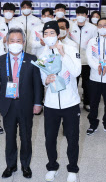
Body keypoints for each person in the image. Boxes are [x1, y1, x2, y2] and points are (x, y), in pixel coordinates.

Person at [0, 28, 43, 179]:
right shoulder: (0, 60)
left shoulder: (32, 59)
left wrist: (38, 103)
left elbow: (37, 84)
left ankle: (25, 166)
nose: (15, 44)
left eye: (18, 41)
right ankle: (11, 165)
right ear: (6, 42)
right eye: (12, 41)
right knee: (10, 137)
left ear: (24, 43)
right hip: (8, 105)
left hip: (25, 104)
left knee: (26, 137)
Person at [39, 21, 81, 182]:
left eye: (51, 33)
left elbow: (76, 71)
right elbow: (43, 79)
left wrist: (63, 54)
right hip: (51, 104)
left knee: (72, 138)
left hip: (70, 102)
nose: (49, 36)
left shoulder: (70, 49)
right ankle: (52, 166)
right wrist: (47, 80)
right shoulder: (43, 55)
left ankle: (72, 169)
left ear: (58, 34)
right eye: (46, 33)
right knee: (50, 138)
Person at [69, 6, 98, 112]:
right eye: (78, 14)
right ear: (76, 15)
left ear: (86, 16)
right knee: (73, 83)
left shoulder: (92, 28)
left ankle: (87, 102)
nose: (80, 16)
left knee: (87, 84)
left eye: (83, 14)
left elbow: (96, 43)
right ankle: (74, 103)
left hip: (87, 61)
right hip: (74, 60)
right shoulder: (71, 26)